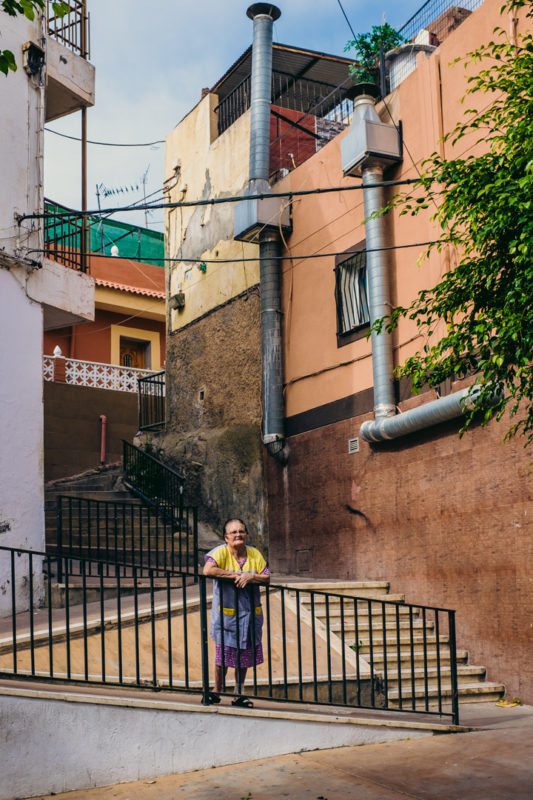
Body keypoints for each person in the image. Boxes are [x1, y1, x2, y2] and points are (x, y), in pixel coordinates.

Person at [203, 518, 270, 707]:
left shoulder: (254, 554)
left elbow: (266, 577)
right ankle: (217, 691)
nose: (238, 535)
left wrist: (251, 576)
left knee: (245, 656)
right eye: (233, 532)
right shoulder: (220, 552)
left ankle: (238, 694)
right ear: (226, 537)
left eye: (241, 531)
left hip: (250, 616)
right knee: (223, 655)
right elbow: (208, 570)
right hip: (227, 616)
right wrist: (237, 576)